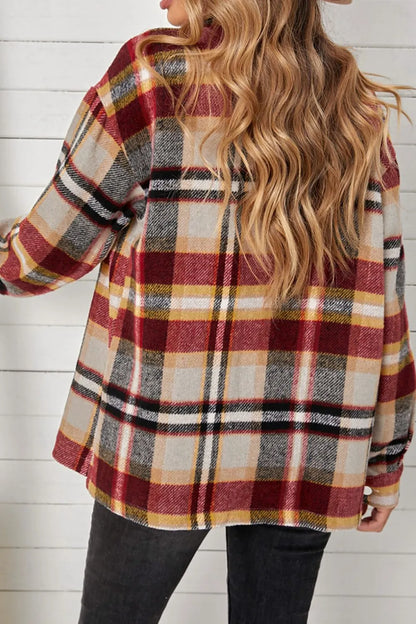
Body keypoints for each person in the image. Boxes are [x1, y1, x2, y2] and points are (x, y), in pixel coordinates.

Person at [1, 1, 415, 622]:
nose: (160, 0)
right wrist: (384, 459)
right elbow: (388, 306)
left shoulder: (153, 81)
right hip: (311, 444)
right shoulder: (355, 105)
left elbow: (44, 254)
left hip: (166, 439)